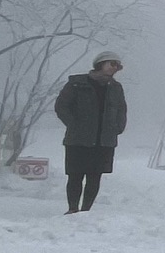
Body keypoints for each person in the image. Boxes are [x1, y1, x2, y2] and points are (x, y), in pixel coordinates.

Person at [54, 52, 127, 214]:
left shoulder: (116, 88)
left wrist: (117, 128)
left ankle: (86, 211)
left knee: (95, 177)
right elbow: (61, 106)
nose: (115, 68)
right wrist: (73, 124)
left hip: (104, 140)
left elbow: (121, 110)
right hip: (78, 139)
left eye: (117, 66)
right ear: (100, 64)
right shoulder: (77, 83)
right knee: (75, 175)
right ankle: (72, 209)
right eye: (112, 64)